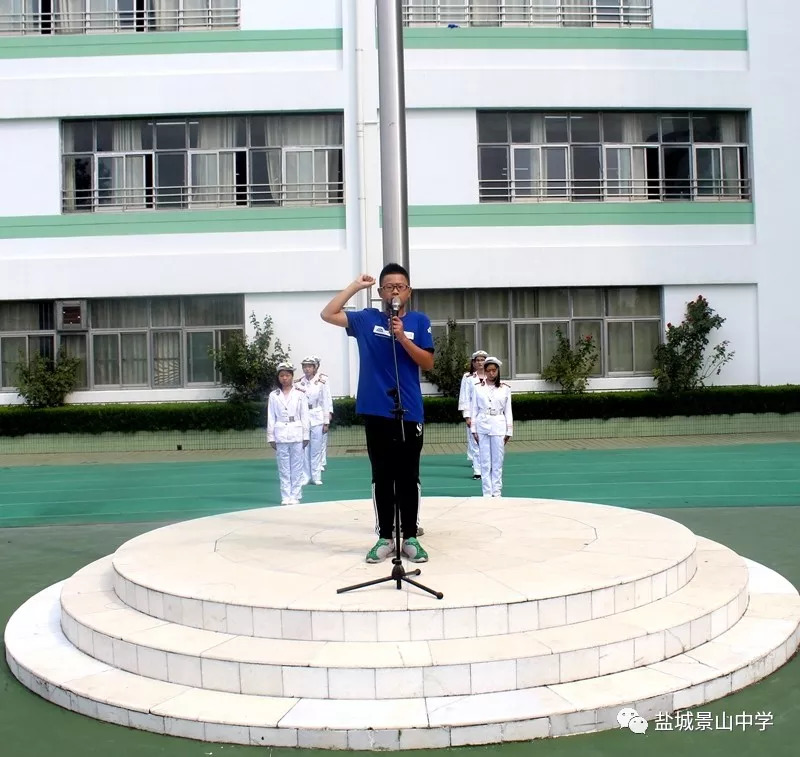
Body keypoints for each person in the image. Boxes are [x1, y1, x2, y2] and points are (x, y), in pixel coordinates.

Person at [321, 263, 434, 564]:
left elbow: (428, 363)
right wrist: (355, 287)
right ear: (381, 292)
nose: (395, 290)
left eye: (400, 285)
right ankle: (385, 537)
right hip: (375, 409)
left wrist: (404, 338)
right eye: (389, 286)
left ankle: (410, 536)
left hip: (409, 411)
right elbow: (328, 314)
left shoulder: (419, 322)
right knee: (382, 476)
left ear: (409, 291)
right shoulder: (366, 319)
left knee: (409, 476)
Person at [266, 362, 310, 505]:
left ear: (292, 376)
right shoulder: (274, 395)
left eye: (287, 375)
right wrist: (271, 436)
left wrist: (306, 435)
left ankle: (295, 495)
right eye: (282, 375)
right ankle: (285, 495)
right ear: (278, 377)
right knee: (283, 467)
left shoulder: (300, 394)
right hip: (280, 433)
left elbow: (305, 415)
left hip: (296, 430)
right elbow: (271, 416)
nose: (284, 378)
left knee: (297, 466)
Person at [469, 356, 513, 498]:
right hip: (482, 425)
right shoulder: (478, 388)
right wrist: (473, 429)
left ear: (498, 371)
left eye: (494, 370)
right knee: (485, 462)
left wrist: (509, 430)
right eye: (488, 371)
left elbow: (508, 410)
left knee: (497, 461)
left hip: (498, 425)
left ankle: (497, 492)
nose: (491, 373)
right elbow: (474, 409)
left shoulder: (505, 388)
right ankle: (487, 493)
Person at [296, 355, 333, 486]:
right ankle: (305, 476)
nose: (307, 369)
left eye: (309, 366)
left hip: (317, 415)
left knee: (316, 447)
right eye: (305, 366)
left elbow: (325, 401)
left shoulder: (321, 383)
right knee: (304, 448)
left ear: (314, 368)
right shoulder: (298, 383)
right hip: (304, 416)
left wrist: (326, 421)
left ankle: (316, 475)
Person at [458, 350, 487, 479]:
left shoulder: (491, 375)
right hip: (474, 414)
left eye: (482, 360)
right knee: (475, 443)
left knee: (487, 443)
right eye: (478, 360)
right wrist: (467, 416)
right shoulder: (468, 377)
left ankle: (487, 468)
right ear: (474, 363)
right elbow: (464, 396)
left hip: (488, 414)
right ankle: (477, 471)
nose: (480, 362)